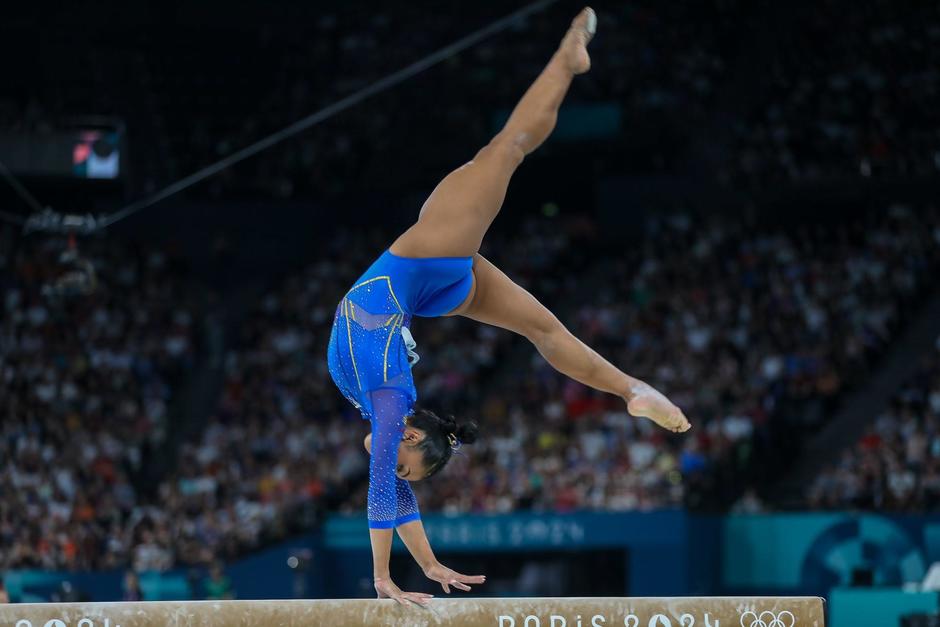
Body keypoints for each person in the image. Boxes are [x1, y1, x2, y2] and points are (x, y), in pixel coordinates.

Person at [326, 7, 690, 607]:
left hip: (425, 268)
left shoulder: (388, 406)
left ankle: (631, 391)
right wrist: (409, 570)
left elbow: (387, 496)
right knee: (538, 303)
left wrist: (406, 571)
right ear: (414, 436)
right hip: (429, 272)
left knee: (511, 166)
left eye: (402, 467)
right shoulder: (391, 403)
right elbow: (389, 496)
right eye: (406, 465)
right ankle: (631, 390)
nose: (394, 469)